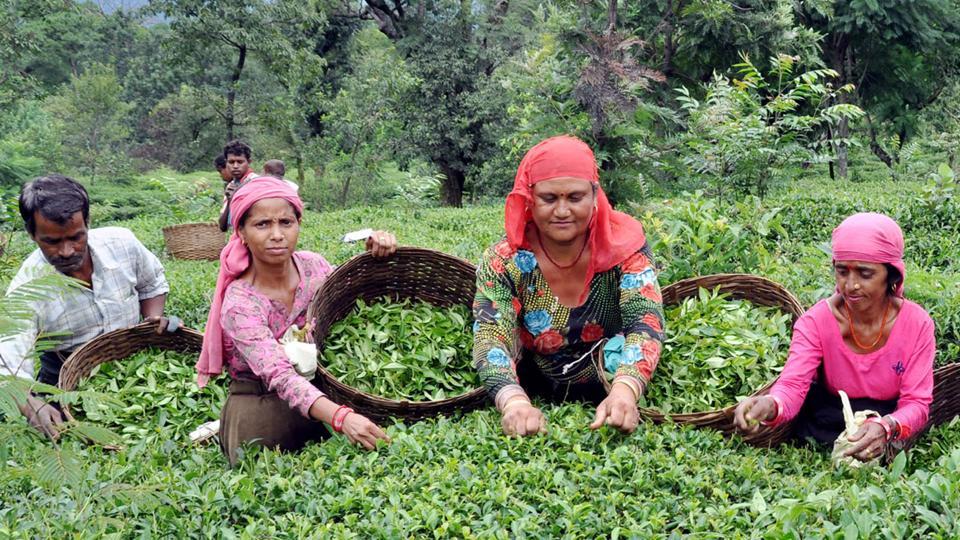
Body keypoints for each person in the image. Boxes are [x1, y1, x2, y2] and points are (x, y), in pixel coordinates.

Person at [472, 135, 664, 437]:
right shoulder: (504, 260)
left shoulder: (625, 249)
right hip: (536, 379)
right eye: (549, 199)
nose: (562, 211)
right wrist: (513, 402)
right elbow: (491, 335)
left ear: (595, 194)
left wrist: (625, 391)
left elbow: (645, 321)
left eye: (575, 198)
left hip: (612, 371)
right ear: (529, 198)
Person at [197, 176, 397, 465]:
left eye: (286, 222)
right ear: (241, 232)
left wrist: (376, 255)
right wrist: (341, 418)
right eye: (262, 224)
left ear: (298, 224)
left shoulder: (313, 265)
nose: (277, 234)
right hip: (263, 404)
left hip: (322, 390)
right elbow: (280, 375)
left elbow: (348, 297)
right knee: (269, 466)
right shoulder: (240, 302)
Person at [734, 213, 935, 462]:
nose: (850, 285)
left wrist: (887, 427)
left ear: (891, 275)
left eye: (865, 274)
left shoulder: (917, 324)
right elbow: (793, 385)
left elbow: (916, 403)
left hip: (890, 417)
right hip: (828, 418)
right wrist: (770, 405)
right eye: (842, 271)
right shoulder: (816, 322)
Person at [0, 175, 178, 438]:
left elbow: (151, 283)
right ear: (32, 235)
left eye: (76, 237)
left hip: (133, 357)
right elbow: (8, 365)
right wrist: (31, 405)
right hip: (67, 375)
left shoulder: (122, 243)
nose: (67, 251)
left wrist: (152, 319)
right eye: (52, 241)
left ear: (87, 223)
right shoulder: (26, 290)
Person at [218, 140, 260, 232]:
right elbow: (223, 226)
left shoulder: (257, 183)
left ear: (249, 162)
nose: (235, 166)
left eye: (240, 162)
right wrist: (230, 200)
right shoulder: (231, 186)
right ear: (226, 162)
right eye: (231, 162)